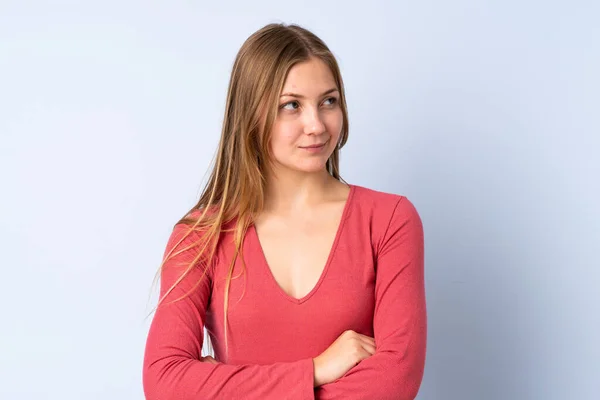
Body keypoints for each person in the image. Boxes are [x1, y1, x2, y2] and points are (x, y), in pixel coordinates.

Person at [142, 22, 427, 400]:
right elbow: (164, 383)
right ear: (250, 113)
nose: (316, 125)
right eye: (291, 105)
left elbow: (396, 380)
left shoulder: (389, 220)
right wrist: (315, 370)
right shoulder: (201, 235)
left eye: (329, 101)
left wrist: (229, 384)